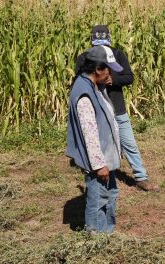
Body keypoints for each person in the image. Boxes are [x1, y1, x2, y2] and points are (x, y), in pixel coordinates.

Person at [75, 25, 158, 192]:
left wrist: (113, 80)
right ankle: (99, 175)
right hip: (97, 110)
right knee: (98, 143)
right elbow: (80, 80)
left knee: (129, 143)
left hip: (117, 108)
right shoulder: (84, 57)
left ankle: (141, 177)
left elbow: (128, 77)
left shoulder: (118, 54)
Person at [67, 45, 123, 233]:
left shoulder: (94, 86)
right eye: (108, 69)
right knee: (98, 199)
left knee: (110, 194)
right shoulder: (84, 93)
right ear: (97, 69)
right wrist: (99, 165)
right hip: (98, 160)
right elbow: (89, 133)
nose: (110, 74)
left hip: (105, 156)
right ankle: (97, 239)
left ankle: (107, 233)